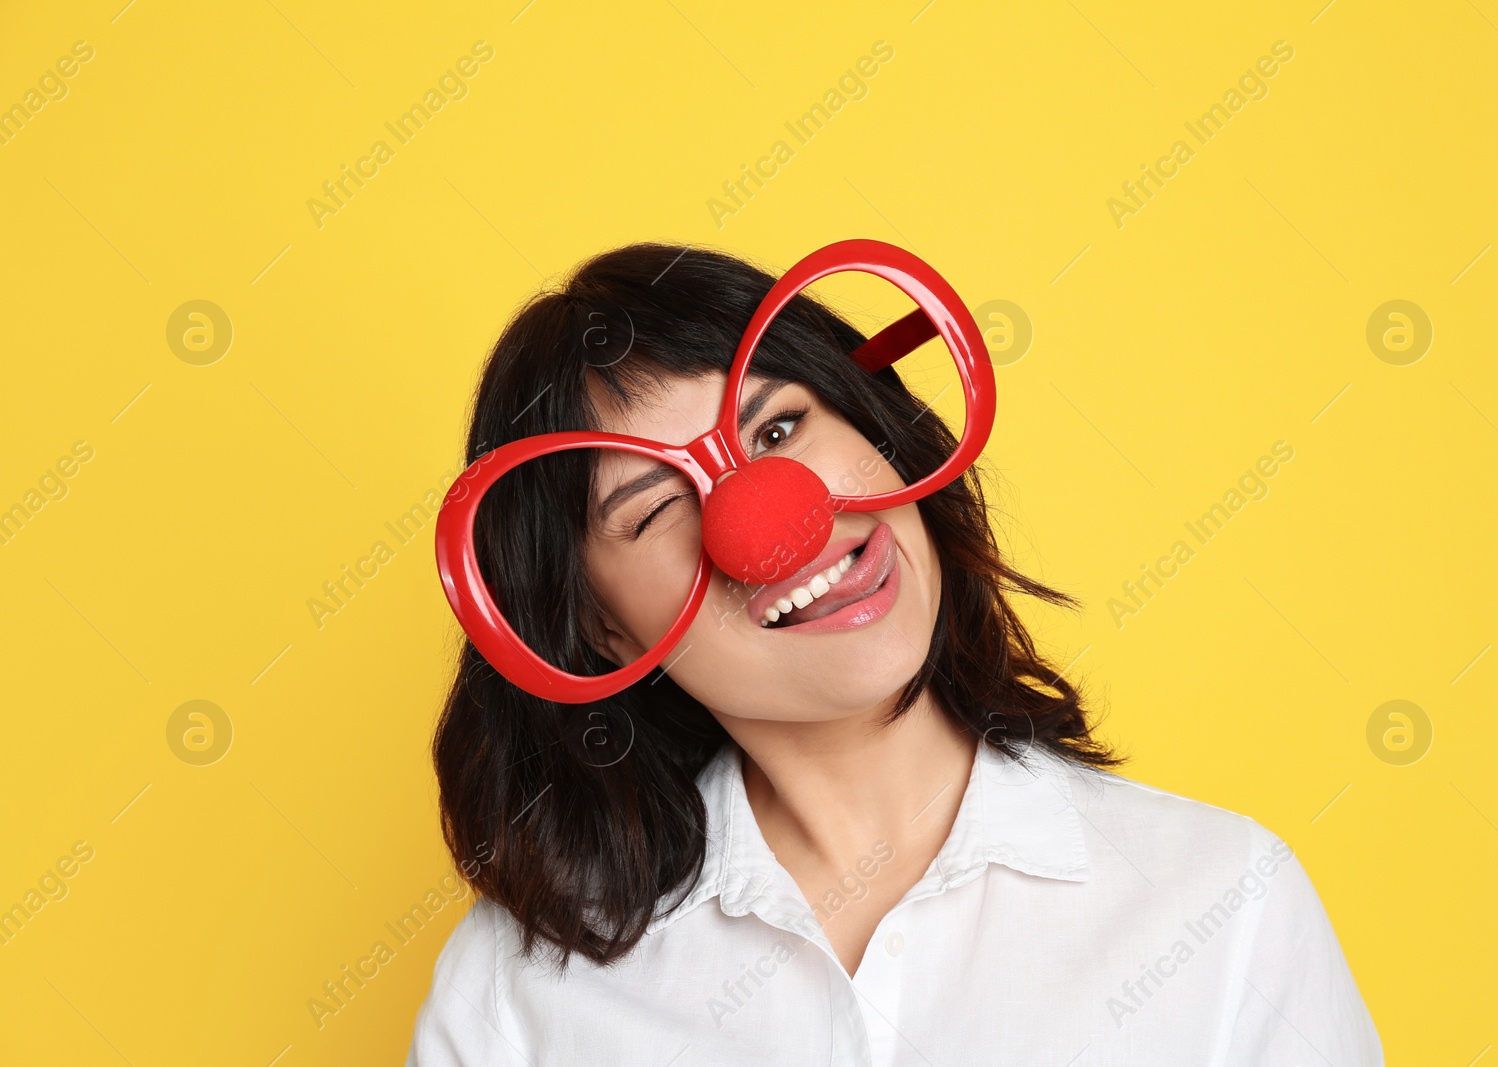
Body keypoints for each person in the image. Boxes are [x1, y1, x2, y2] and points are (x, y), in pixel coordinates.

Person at [404, 241, 1383, 1065]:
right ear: (600, 629)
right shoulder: (515, 997)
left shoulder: (1221, 899)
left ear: (877, 433)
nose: (769, 520)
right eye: (659, 507)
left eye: (781, 426)